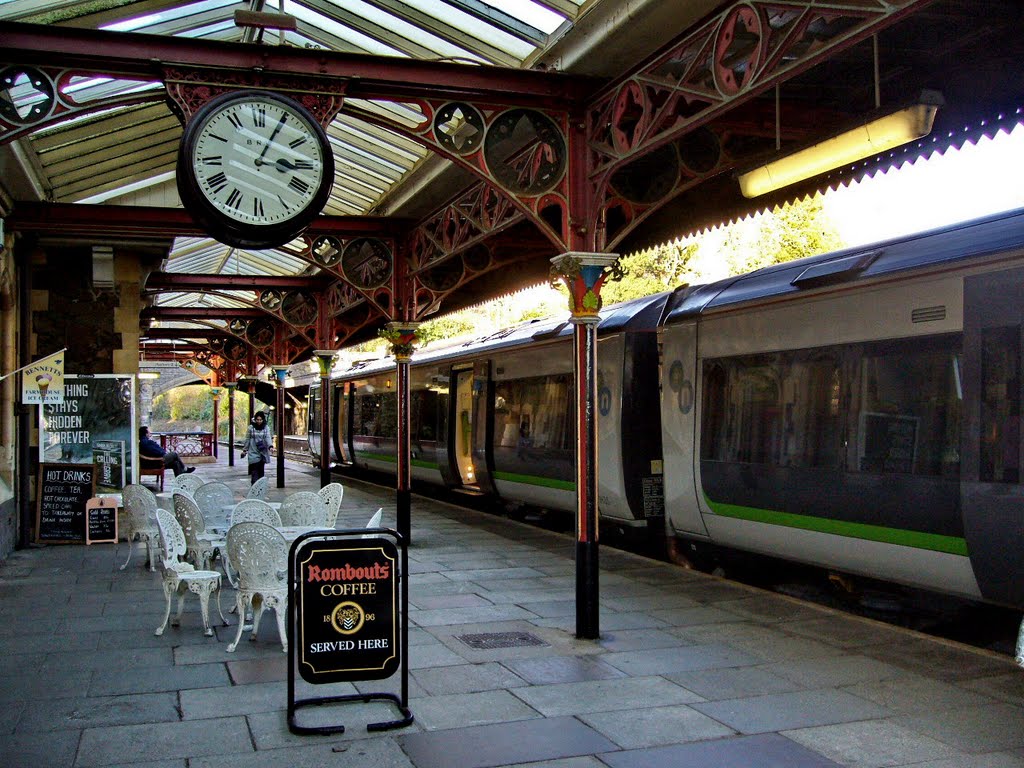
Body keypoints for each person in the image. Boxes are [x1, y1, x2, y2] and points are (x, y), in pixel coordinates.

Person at [241, 411, 272, 484]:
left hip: (262, 453)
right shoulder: (250, 428)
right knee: (254, 472)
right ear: (255, 419)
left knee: (261, 472)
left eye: (260, 420)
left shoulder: (266, 428)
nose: (259, 421)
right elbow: (247, 439)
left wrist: (270, 446)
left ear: (263, 420)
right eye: (257, 420)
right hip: (253, 451)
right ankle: (254, 488)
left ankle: (260, 489)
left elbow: (268, 437)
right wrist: (245, 450)